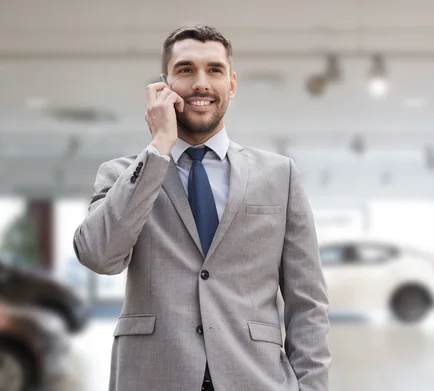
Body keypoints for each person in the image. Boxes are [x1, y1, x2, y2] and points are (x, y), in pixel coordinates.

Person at [73, 24, 331, 391]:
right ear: (164, 85)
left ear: (232, 83)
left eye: (214, 70)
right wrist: (159, 146)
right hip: (153, 376)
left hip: (255, 378)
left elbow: (308, 301)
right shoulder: (123, 174)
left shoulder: (279, 175)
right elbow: (99, 256)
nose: (201, 83)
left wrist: (312, 387)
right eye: (185, 69)